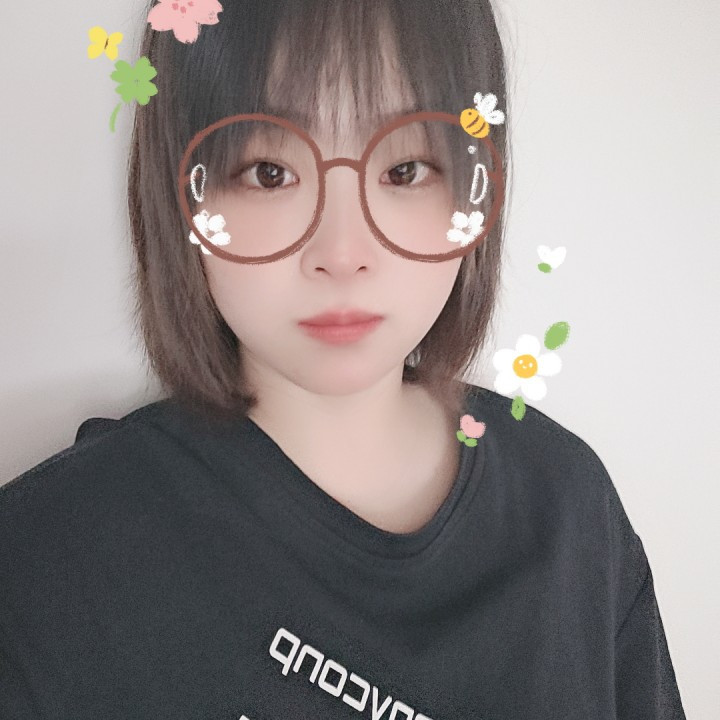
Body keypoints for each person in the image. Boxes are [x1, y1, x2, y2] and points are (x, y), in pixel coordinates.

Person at [0, 1, 686, 718]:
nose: (342, 253)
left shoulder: (572, 511)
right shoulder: (51, 562)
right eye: (269, 173)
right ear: (182, 195)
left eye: (405, 169)